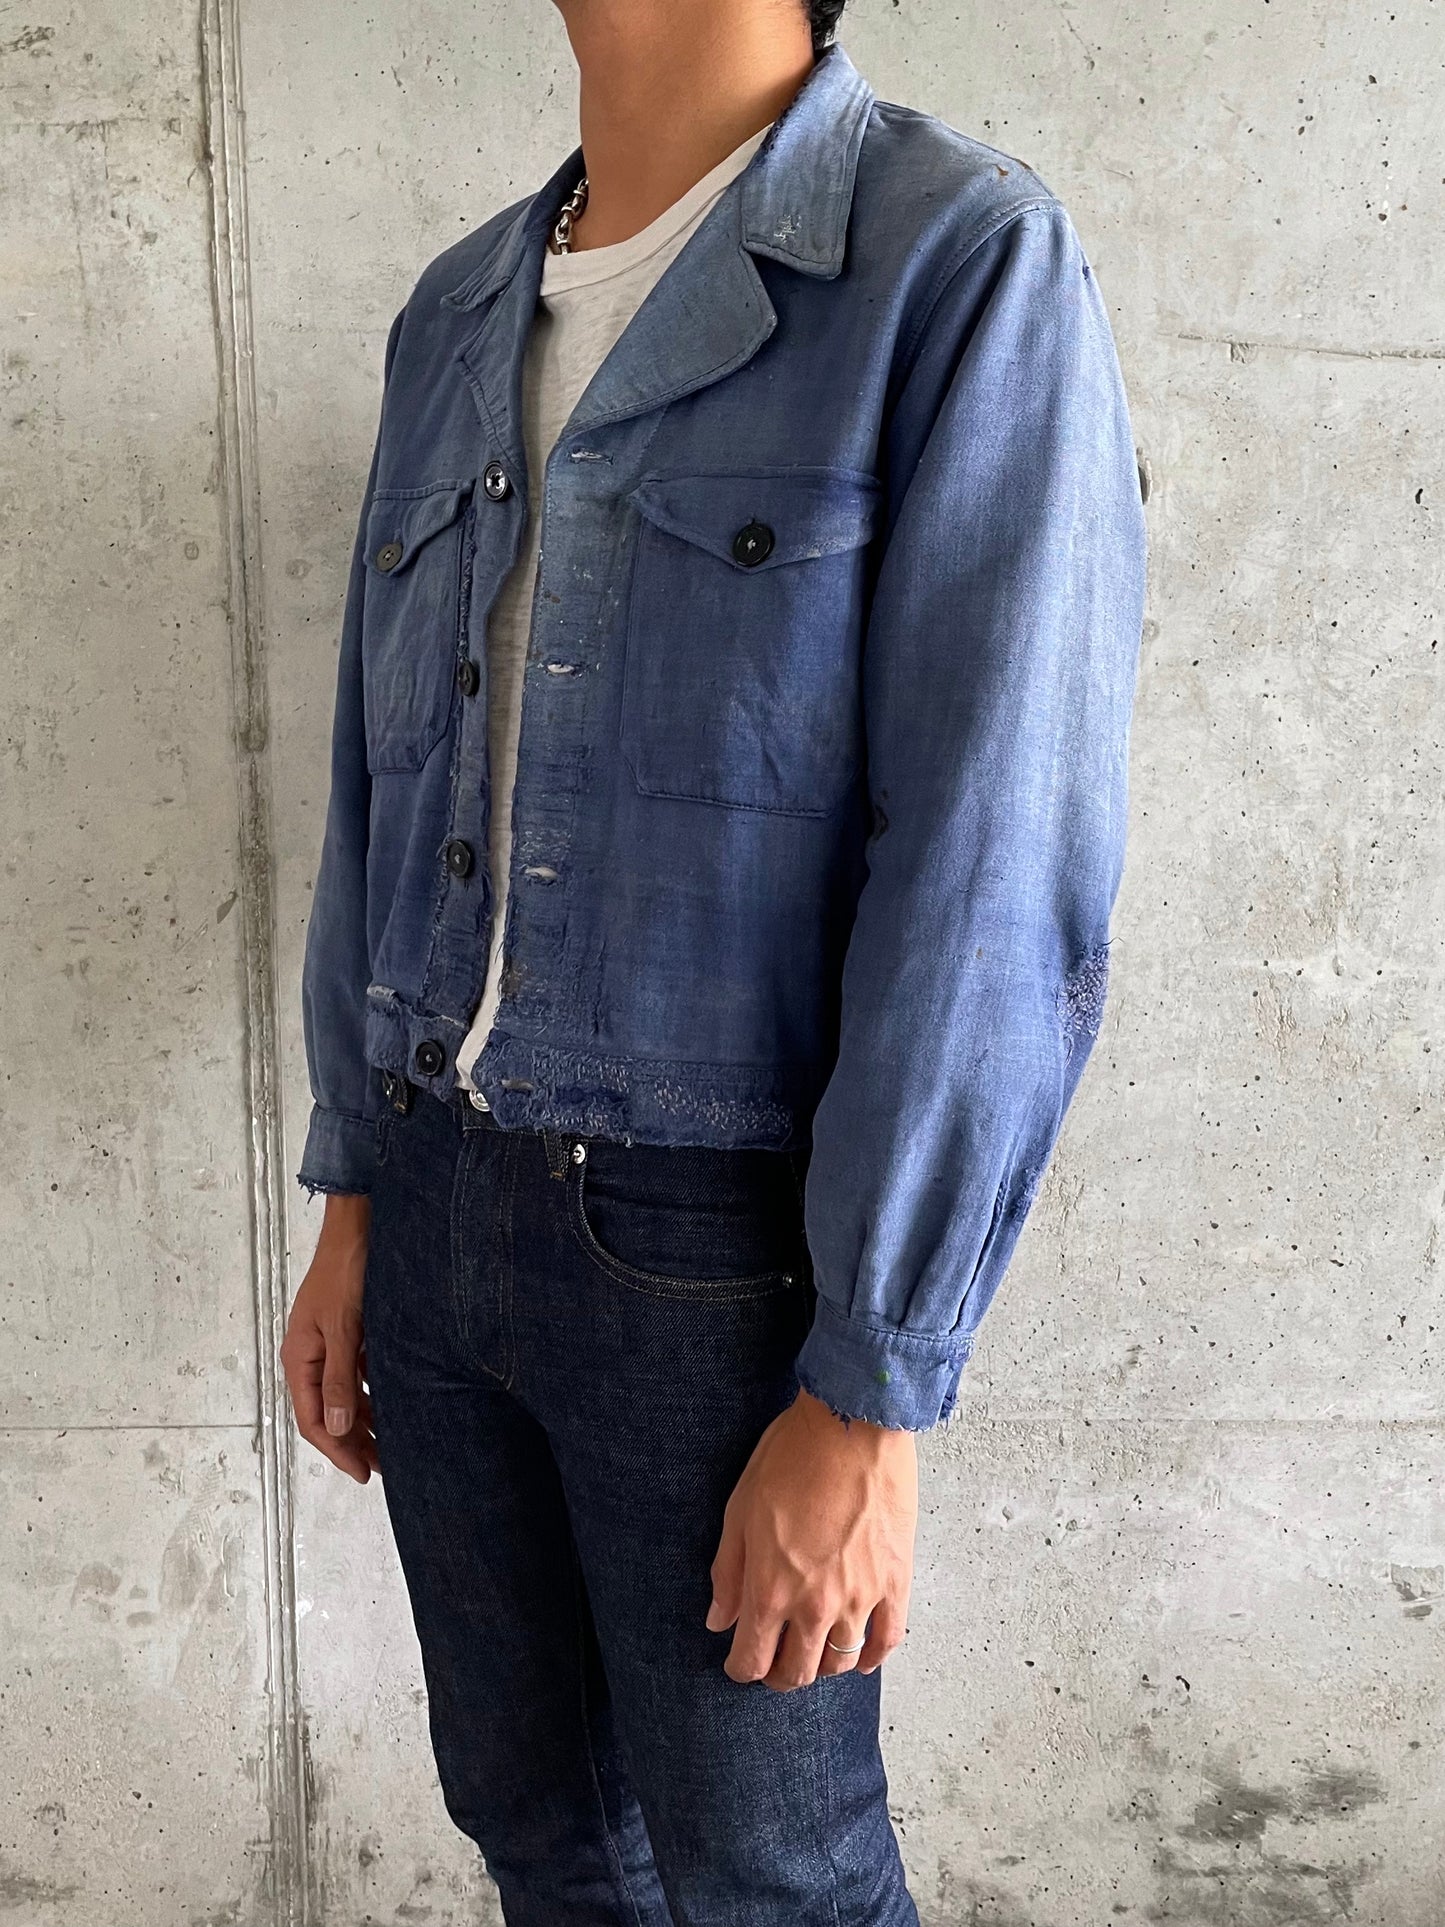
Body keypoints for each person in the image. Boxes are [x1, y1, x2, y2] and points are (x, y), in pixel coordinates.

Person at [281, 0, 1147, 1918]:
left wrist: (871, 1391)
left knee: (770, 1878)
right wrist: (357, 1196)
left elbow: (995, 861)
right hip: (434, 1196)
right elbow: (376, 784)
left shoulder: (950, 260)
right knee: (535, 1830)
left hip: (710, 1249)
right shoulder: (457, 308)